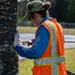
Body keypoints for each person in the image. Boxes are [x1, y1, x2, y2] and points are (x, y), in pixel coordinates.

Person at [14, 1, 67, 75]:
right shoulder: (57, 25)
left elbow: (35, 53)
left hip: (47, 72)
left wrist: (17, 46)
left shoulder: (44, 27)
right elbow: (54, 45)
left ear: (36, 15)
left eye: (30, 18)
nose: (31, 21)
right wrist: (36, 42)